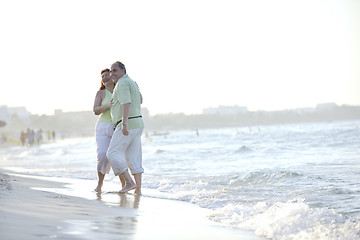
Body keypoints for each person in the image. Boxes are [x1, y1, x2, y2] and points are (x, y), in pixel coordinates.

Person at [107, 61, 144, 195]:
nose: (112, 74)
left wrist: (124, 123)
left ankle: (129, 182)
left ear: (123, 71)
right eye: (111, 71)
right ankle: (138, 191)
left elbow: (126, 103)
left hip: (129, 124)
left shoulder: (122, 83)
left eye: (114, 70)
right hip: (138, 123)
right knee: (133, 157)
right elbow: (140, 99)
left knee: (112, 153)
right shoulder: (131, 82)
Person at [93, 68, 125, 192]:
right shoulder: (100, 93)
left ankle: (124, 184)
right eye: (102, 77)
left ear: (112, 77)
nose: (104, 78)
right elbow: (95, 110)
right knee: (102, 155)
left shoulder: (119, 91)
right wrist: (106, 106)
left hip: (117, 127)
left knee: (116, 157)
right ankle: (100, 184)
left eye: (107, 75)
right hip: (102, 127)